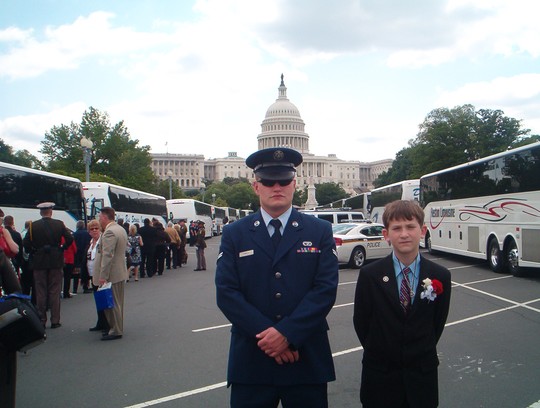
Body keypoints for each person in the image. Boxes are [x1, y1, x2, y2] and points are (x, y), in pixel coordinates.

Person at [215, 147, 339, 407]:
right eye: (268, 181)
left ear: (295, 184)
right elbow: (227, 293)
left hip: (305, 356)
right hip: (252, 360)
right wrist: (271, 338)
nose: (277, 187)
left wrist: (288, 334)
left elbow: (325, 289)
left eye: (283, 180)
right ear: (256, 186)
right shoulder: (235, 234)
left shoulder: (319, 231)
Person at [353, 200, 452, 408]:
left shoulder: (440, 276)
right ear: (386, 235)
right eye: (396, 228)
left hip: (421, 379)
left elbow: (437, 323)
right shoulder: (370, 275)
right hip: (380, 379)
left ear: (422, 231)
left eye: (410, 227)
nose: (404, 234)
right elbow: (361, 323)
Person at [23, 202, 73, 329]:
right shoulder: (59, 224)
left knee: (40, 291)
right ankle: (55, 320)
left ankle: (42, 319)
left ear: (41, 212)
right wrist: (62, 248)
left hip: (39, 261)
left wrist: (33, 251)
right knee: (55, 290)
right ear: (51, 212)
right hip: (56, 260)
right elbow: (69, 239)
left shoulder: (33, 226)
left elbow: (26, 243)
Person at [93, 207, 128, 341]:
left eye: (100, 217)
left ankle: (116, 330)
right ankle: (116, 328)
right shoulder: (120, 229)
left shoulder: (109, 232)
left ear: (104, 217)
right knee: (118, 303)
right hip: (119, 272)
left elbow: (107, 255)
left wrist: (103, 276)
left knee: (112, 305)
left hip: (112, 274)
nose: (99, 219)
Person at [85, 220, 109, 334]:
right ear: (89, 231)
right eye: (92, 229)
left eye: (96, 228)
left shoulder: (103, 241)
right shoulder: (90, 243)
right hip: (92, 274)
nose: (94, 230)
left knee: (104, 300)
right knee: (98, 300)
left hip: (100, 275)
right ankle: (100, 322)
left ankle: (107, 324)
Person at [73, 220, 91, 294]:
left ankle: (75, 289)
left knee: (76, 272)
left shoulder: (74, 234)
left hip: (77, 254)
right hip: (85, 253)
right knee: (85, 270)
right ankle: (85, 287)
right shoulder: (87, 234)